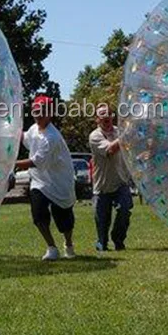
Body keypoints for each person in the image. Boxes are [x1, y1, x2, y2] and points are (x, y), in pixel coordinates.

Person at [16, 95, 76, 261]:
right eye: (35, 111)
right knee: (38, 214)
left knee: (64, 219)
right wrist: (10, 131)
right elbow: (26, 137)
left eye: (42, 111)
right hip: (39, 181)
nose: (38, 114)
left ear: (50, 113)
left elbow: (36, 162)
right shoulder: (34, 129)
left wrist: (9, 163)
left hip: (58, 181)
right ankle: (51, 247)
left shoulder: (52, 137)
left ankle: (68, 243)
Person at [89, 104, 133, 251]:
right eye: (102, 114)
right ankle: (102, 241)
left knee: (125, 210)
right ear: (97, 119)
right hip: (102, 185)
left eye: (108, 113)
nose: (106, 116)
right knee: (102, 220)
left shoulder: (119, 132)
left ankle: (118, 239)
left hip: (121, 181)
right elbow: (110, 150)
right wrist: (126, 135)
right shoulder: (95, 136)